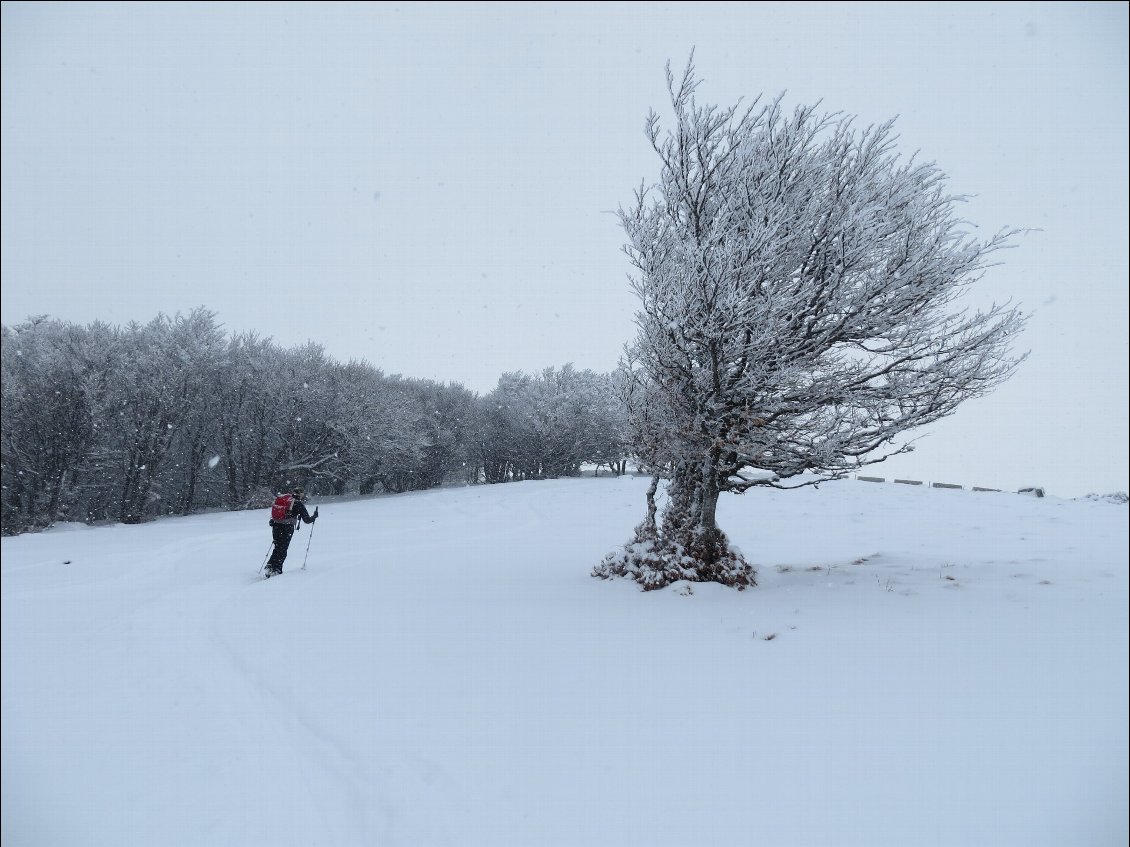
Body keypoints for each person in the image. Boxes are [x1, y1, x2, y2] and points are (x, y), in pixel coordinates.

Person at [265, 487, 317, 577]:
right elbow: (307, 520)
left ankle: (270, 565)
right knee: (283, 548)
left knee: (277, 546)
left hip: (276, 525)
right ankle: (277, 569)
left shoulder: (285, 499)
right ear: (300, 495)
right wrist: (314, 516)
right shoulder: (298, 504)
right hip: (287, 527)